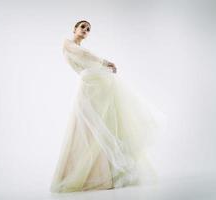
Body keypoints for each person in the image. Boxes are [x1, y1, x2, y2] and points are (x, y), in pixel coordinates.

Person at [49, 20, 167, 193]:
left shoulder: (81, 50)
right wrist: (105, 62)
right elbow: (85, 56)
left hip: (96, 86)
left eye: (88, 29)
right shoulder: (67, 43)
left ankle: (105, 175)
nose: (85, 30)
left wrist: (104, 67)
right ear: (74, 28)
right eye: (82, 27)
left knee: (102, 127)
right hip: (88, 87)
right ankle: (76, 175)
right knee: (85, 129)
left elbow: (87, 59)